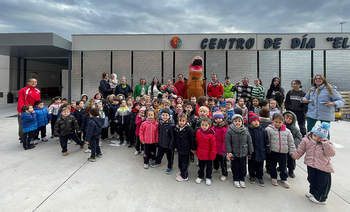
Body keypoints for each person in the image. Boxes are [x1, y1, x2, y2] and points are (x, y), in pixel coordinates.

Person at [292, 123, 335, 205]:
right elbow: (301, 149)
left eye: (320, 137)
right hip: (311, 164)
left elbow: (331, 154)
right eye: (315, 136)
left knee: (323, 183)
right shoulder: (306, 140)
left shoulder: (327, 144)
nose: (317, 139)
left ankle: (321, 198)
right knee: (312, 179)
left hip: (323, 167)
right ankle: (313, 192)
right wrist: (295, 156)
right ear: (311, 133)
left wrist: (325, 144)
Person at [301, 75, 345, 139]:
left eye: (320, 78)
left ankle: (326, 146)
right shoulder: (312, 89)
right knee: (310, 131)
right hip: (312, 113)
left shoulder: (329, 89)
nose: (317, 80)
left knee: (325, 132)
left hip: (325, 114)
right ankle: (310, 145)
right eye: (316, 79)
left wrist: (333, 103)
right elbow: (304, 98)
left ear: (323, 80)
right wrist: (303, 99)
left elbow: (341, 101)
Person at [265, 113, 296, 188]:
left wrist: (292, 152)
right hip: (273, 152)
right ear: (272, 121)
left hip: (283, 152)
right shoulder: (268, 130)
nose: (278, 124)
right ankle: (273, 177)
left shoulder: (287, 131)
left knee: (283, 166)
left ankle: (284, 178)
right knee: (272, 165)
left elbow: (291, 142)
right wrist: (267, 150)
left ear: (283, 122)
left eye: (280, 122)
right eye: (276, 122)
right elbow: (267, 141)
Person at [225, 114, 254, 188]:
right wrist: (229, 151)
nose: (237, 122)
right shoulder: (230, 131)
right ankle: (236, 179)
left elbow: (249, 141)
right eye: (235, 121)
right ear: (232, 122)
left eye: (239, 121)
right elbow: (227, 142)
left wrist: (251, 150)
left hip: (243, 152)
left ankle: (242, 179)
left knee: (243, 166)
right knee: (235, 166)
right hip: (234, 153)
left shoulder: (245, 130)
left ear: (242, 122)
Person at [247, 112, 270, 187]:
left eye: (257, 121)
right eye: (254, 121)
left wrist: (267, 149)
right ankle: (252, 176)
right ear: (251, 122)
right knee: (251, 165)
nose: (256, 122)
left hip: (261, 151)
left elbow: (266, 141)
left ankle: (260, 177)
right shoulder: (249, 131)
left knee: (260, 166)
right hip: (252, 151)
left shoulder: (263, 131)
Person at [151, 109, 175, 174]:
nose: (164, 116)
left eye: (166, 115)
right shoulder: (160, 124)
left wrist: (171, 145)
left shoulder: (171, 125)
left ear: (169, 116)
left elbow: (173, 137)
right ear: (161, 116)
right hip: (161, 143)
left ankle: (170, 167)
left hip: (168, 145)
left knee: (169, 157)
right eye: (163, 115)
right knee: (159, 154)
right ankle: (158, 162)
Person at [17, 78, 41, 142]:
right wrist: (20, 110)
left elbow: (38, 101)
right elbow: (20, 101)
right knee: (23, 124)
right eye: (32, 82)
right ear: (28, 82)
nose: (34, 83)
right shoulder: (23, 90)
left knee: (33, 123)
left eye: (35, 82)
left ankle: (32, 137)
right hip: (26, 110)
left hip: (33, 110)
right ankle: (22, 138)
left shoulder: (37, 90)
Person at [174, 113, 196, 182]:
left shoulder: (189, 129)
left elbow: (192, 139)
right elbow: (176, 139)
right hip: (180, 149)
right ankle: (181, 171)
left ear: (186, 121)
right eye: (180, 120)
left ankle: (184, 176)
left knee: (185, 163)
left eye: (183, 121)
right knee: (180, 162)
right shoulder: (177, 128)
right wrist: (175, 146)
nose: (181, 122)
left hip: (186, 149)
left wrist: (193, 148)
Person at [195, 117, 216, 186]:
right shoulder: (198, 132)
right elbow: (197, 142)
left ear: (209, 125)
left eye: (206, 125)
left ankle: (208, 177)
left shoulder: (211, 135)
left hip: (208, 155)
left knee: (209, 167)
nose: (204, 127)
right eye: (202, 125)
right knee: (201, 166)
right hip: (200, 153)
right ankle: (200, 176)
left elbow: (213, 146)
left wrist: (212, 155)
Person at [283, 111, 302, 178]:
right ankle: (281, 168)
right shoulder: (281, 126)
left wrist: (293, 143)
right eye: (287, 118)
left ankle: (291, 171)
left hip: (291, 147)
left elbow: (299, 137)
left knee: (291, 160)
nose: (288, 120)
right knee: (283, 159)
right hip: (283, 146)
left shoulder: (295, 128)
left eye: (290, 119)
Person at [212, 111, 229, 182]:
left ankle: (224, 174)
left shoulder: (224, 128)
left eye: (219, 118)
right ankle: (216, 168)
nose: (218, 120)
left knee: (223, 163)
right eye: (216, 119)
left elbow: (225, 139)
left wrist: (224, 148)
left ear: (222, 118)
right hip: (215, 147)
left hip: (222, 148)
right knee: (215, 159)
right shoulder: (214, 126)